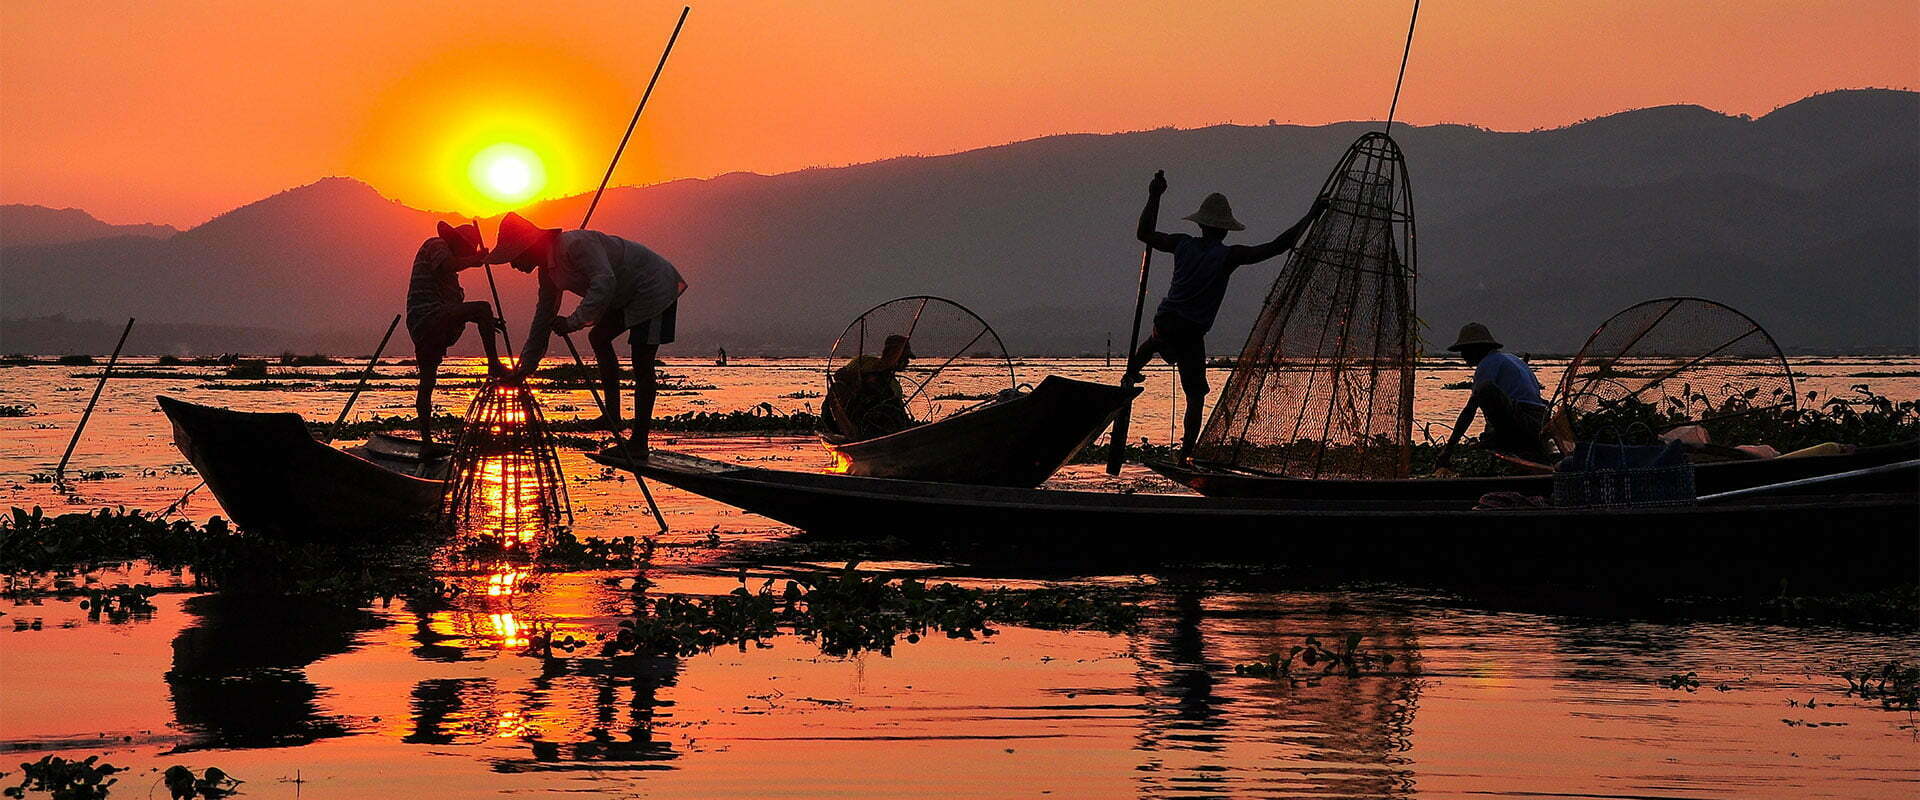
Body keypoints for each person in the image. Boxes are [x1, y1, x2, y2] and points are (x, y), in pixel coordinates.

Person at [1124, 170, 1329, 459]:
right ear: (1224, 230)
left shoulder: (1183, 243)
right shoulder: (1228, 256)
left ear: (1202, 226)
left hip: (1170, 323)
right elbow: (1277, 247)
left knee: (1158, 340)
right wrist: (1311, 216)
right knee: (1195, 396)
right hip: (1190, 330)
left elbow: (1144, 233)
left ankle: (1132, 372)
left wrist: (1154, 195)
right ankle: (1186, 453)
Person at [491, 212, 687, 459]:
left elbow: (604, 282)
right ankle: (612, 415)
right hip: (623, 295)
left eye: (513, 258)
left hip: (652, 286)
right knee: (599, 338)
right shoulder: (548, 273)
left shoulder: (575, 245)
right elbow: (543, 318)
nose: (513, 265)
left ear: (528, 248)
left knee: (642, 363)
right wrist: (524, 368)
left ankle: (639, 442)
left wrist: (573, 322)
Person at [407, 220, 504, 447]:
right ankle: (494, 364)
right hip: (427, 318)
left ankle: (426, 443)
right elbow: (447, 265)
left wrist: (487, 322)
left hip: (433, 325)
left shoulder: (451, 279)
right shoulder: (437, 245)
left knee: (427, 382)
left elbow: (455, 308)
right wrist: (474, 260)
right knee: (482, 307)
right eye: (464, 251)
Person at [1435, 322, 1551, 467]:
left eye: (1465, 350)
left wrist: (1449, 449)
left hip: (1526, 423)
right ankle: (1497, 438)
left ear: (1477, 349)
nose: (1463, 355)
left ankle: (1499, 439)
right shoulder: (1511, 359)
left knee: (1485, 389)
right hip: (1540, 421)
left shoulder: (1487, 364)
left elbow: (1470, 410)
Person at [823, 334, 916, 440]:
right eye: (905, 357)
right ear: (894, 354)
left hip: (873, 430)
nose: (907, 362)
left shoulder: (895, 387)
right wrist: (862, 379)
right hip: (843, 419)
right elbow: (838, 375)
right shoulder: (864, 362)